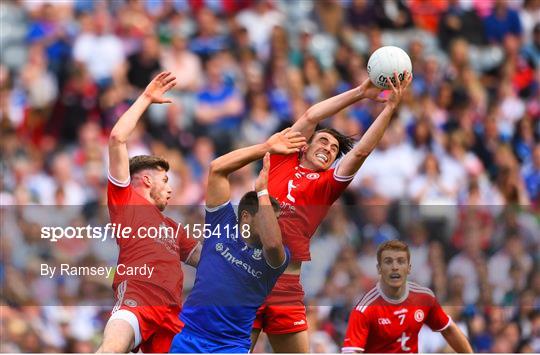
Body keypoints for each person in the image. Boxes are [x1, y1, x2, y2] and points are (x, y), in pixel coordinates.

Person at [251, 72, 412, 352]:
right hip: (249, 276)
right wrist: (361, 92)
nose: (328, 148)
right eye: (323, 142)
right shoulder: (281, 159)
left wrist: (389, 108)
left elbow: (361, 151)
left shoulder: (327, 185)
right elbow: (312, 116)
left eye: (334, 148)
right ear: (305, 146)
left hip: (285, 286)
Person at [170, 129, 306, 353]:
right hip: (188, 337)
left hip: (230, 347)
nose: (275, 224)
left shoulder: (276, 258)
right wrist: (266, 148)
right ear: (245, 217)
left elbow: (272, 243)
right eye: (267, 216)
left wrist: (262, 191)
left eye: (276, 218)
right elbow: (217, 169)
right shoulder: (221, 223)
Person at [97, 72, 202, 353]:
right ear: (146, 180)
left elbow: (205, 258)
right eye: (165, 181)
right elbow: (118, 137)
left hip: (171, 313)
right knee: (113, 348)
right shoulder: (126, 200)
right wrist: (145, 98)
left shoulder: (172, 226)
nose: (170, 189)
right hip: (137, 295)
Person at [341, 240, 473, 353]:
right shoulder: (364, 309)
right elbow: (351, 351)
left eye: (400, 261)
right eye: (388, 262)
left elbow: (448, 329)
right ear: (379, 269)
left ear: (409, 268)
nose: (395, 267)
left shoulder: (424, 298)